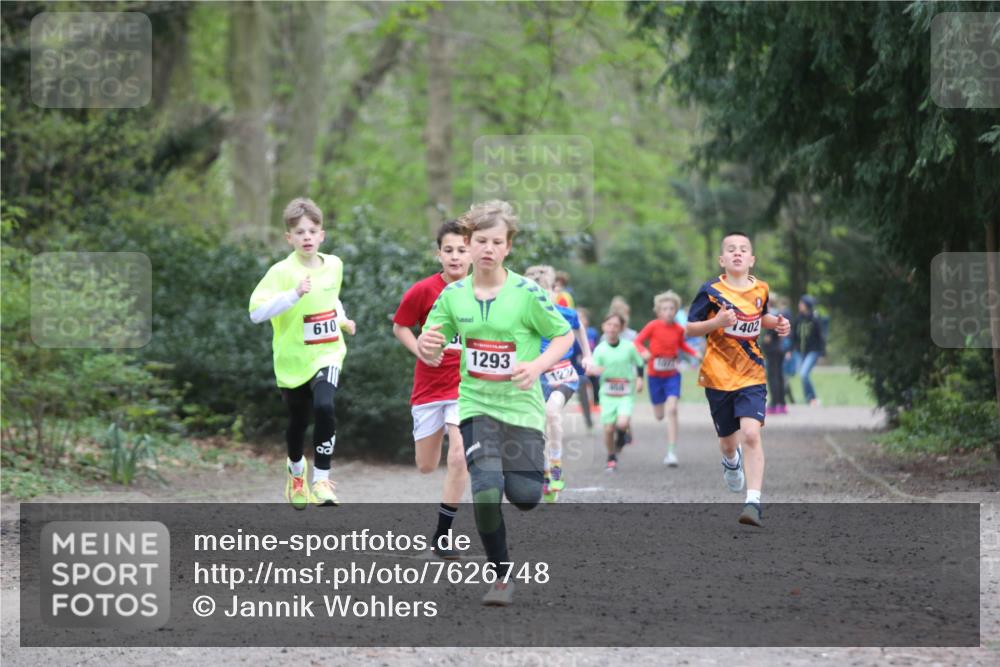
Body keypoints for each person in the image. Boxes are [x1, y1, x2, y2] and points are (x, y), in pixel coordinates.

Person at [417, 200, 574, 606]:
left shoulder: (527, 293)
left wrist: (537, 365)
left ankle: (528, 474)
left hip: (521, 408)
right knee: (485, 490)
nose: (487, 248)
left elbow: (563, 337)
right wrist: (427, 344)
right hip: (475, 404)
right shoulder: (453, 295)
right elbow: (431, 337)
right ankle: (501, 577)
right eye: (480, 241)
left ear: (508, 247)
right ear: (467, 245)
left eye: (496, 242)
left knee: (524, 496)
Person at [249, 197, 357, 509]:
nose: (307, 236)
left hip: (328, 352)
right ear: (289, 238)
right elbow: (256, 313)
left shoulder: (334, 264)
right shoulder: (281, 272)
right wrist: (293, 295)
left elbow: (330, 300)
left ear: (322, 234)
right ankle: (296, 472)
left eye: (312, 230)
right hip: (291, 360)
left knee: (324, 406)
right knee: (298, 421)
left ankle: (321, 479)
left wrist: (342, 319)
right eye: (299, 232)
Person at [685, 231, 790, 527]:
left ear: (752, 259)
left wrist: (779, 323)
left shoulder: (761, 289)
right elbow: (690, 328)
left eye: (743, 249)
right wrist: (716, 323)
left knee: (752, 434)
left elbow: (761, 317)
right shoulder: (710, 291)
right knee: (729, 444)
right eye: (731, 249)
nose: (737, 253)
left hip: (751, 372)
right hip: (718, 375)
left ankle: (753, 502)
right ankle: (731, 462)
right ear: (722, 259)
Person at [392, 220, 472, 559]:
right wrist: (420, 347)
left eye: (462, 250)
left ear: (472, 253)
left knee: (459, 457)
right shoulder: (424, 290)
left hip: (466, 388)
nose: (455, 257)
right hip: (429, 387)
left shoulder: (483, 292)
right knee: (426, 465)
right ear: (438, 254)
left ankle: (442, 534)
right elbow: (400, 326)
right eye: (449, 250)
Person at [523, 265, 593, 502]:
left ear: (555, 290)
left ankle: (555, 466)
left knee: (552, 412)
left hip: (563, 375)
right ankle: (545, 472)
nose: (543, 296)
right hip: (536, 377)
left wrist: (587, 355)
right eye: (536, 292)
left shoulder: (564, 312)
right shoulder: (523, 316)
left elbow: (579, 327)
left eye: (547, 291)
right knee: (536, 426)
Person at [634, 291, 701, 466]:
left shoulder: (679, 329)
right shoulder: (653, 326)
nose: (669, 312)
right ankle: (669, 446)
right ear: (658, 311)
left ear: (676, 310)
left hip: (672, 375)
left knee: (672, 409)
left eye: (672, 308)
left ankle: (671, 452)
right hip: (654, 376)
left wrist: (695, 353)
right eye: (665, 309)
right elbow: (637, 342)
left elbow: (682, 345)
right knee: (659, 415)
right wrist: (644, 352)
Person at [587, 313, 645, 473]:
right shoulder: (599, 350)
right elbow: (594, 372)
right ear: (603, 327)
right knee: (607, 429)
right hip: (607, 394)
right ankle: (611, 457)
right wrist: (593, 372)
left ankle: (621, 437)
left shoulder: (629, 346)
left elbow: (639, 363)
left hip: (625, 393)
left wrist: (640, 379)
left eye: (615, 326)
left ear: (620, 328)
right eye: (609, 325)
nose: (612, 328)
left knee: (622, 423)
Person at [791, 295, 826, 406]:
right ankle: (809, 399)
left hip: (813, 351)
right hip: (800, 352)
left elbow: (821, 336)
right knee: (802, 375)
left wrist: (822, 353)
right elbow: (794, 336)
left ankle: (813, 398)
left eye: (801, 303)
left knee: (804, 374)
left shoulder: (815, 319)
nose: (799, 305)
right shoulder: (798, 318)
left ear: (807, 305)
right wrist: (791, 349)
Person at [760, 299, 788, 415]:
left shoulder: (771, 318)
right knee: (780, 376)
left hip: (772, 351)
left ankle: (774, 404)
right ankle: (782, 404)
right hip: (780, 350)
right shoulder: (778, 317)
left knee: (773, 378)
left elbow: (767, 339)